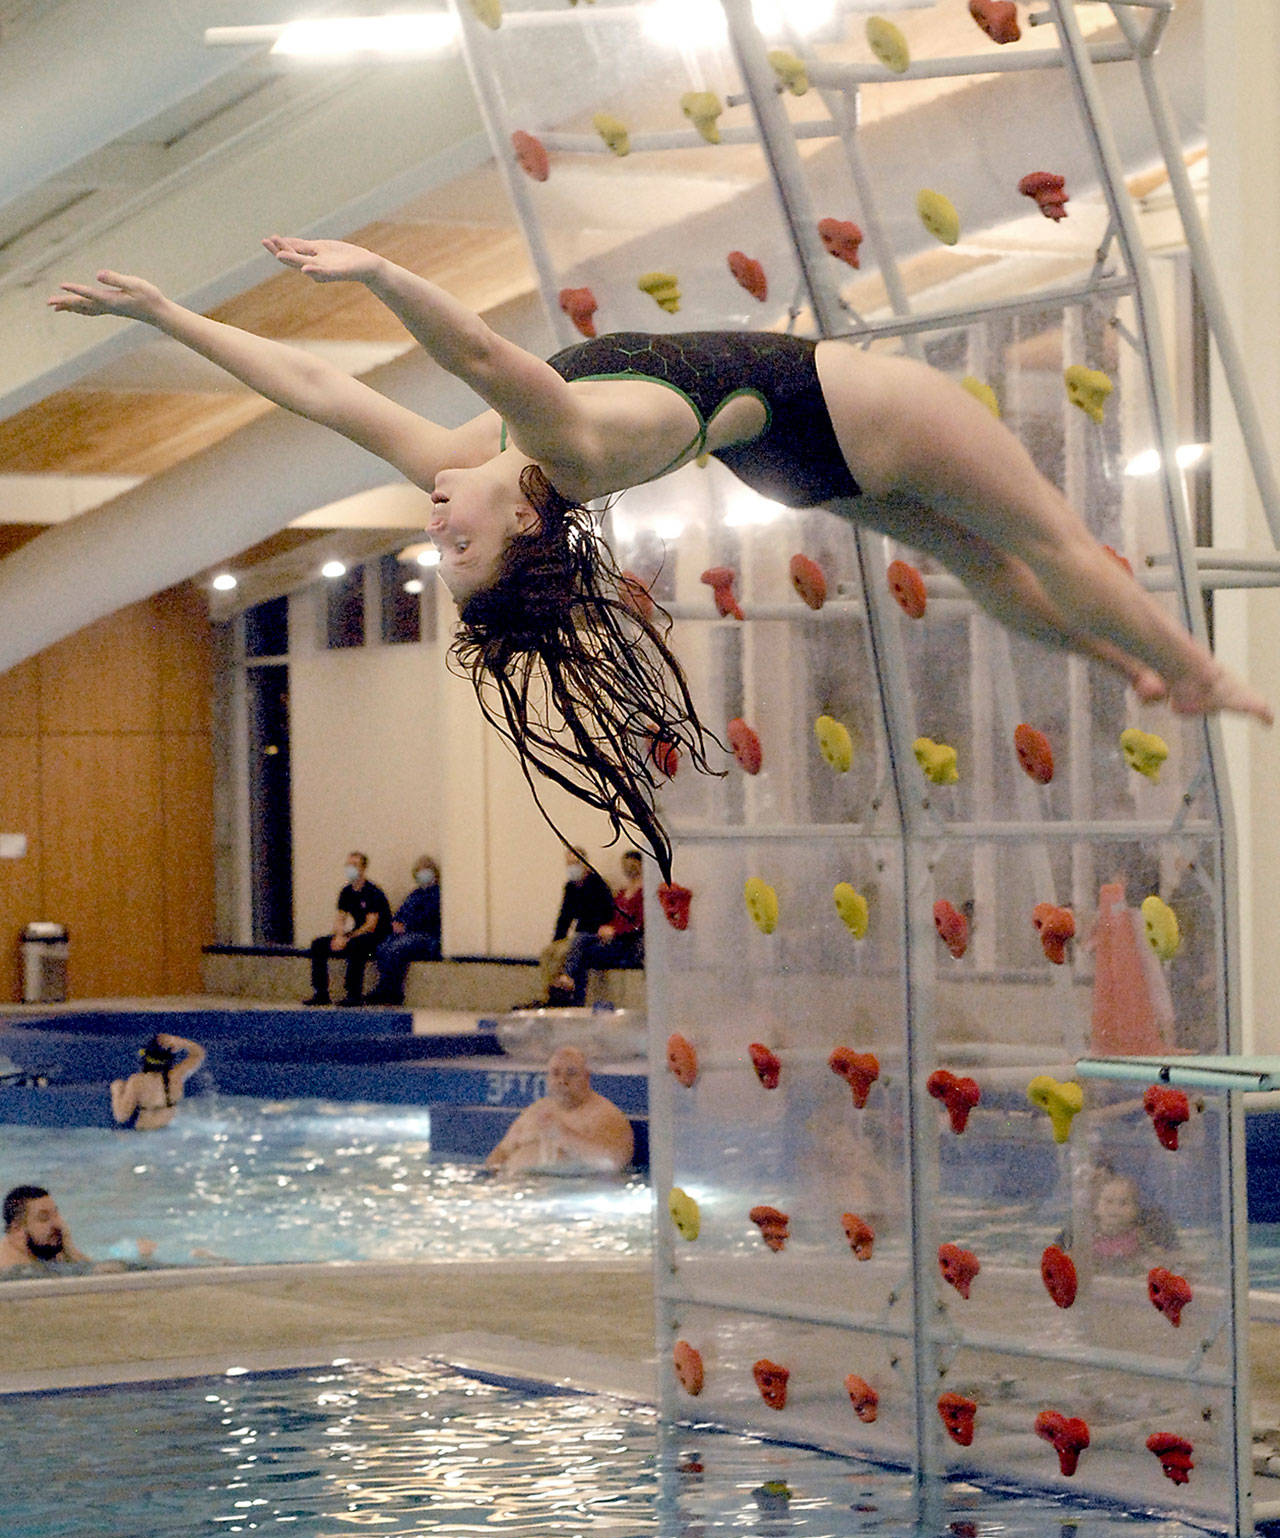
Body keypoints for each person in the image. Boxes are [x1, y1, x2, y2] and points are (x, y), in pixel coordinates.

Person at [48, 245, 1273, 879]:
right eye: (456, 542)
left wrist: (167, 318)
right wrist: (377, 274)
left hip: (787, 459)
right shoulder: (556, 442)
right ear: (523, 527)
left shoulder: (480, 457)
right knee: (1041, 539)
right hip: (850, 407)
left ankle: (1134, 673)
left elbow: (316, 390)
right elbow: (474, 345)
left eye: (437, 544)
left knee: (994, 571)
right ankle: (1186, 667)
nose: (433, 522)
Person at [482, 1045, 634, 1174]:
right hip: (521, 1190)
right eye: (556, 1073)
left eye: (571, 1074)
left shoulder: (605, 1115)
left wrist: (563, 1135)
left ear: (586, 1078)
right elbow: (501, 1152)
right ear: (548, 1079)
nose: (562, 1080)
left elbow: (613, 1163)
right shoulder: (536, 1111)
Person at [551, 848, 645, 1006]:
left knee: (580, 939)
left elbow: (639, 923)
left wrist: (615, 930)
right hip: (608, 938)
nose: (628, 869)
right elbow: (565, 917)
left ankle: (567, 978)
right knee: (582, 955)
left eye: (632, 865)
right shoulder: (622, 893)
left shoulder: (643, 894)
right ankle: (575, 1000)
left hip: (625, 943)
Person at [306, 850, 392, 1006]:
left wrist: (348, 938)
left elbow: (371, 925)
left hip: (377, 938)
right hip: (357, 933)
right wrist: (339, 936)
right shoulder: (346, 892)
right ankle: (321, 993)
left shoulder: (373, 892)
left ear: (363, 868)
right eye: (348, 865)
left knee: (356, 946)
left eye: (354, 865)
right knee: (318, 944)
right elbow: (340, 918)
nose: (350, 868)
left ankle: (354, 994)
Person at [532, 846, 616, 1005]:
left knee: (568, 951)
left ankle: (566, 981)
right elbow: (564, 916)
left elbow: (606, 912)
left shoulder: (597, 884)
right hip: (580, 933)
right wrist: (557, 939)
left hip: (593, 932)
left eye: (576, 863)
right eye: (569, 864)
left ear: (585, 864)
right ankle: (550, 992)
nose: (572, 868)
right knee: (549, 953)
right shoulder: (571, 887)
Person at [367, 854, 443, 1005]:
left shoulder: (438, 894)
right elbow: (400, 914)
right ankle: (383, 987)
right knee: (383, 947)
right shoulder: (414, 895)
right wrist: (396, 923)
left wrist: (407, 926)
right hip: (406, 934)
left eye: (426, 870)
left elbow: (429, 918)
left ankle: (393, 991)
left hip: (427, 936)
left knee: (397, 948)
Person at [110, 1032, 206, 1130]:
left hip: (143, 1136)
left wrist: (117, 1090)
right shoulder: (177, 1076)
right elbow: (199, 1054)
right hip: (170, 1133)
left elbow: (121, 1116)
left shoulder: (137, 1082)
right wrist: (179, 1041)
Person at [0, 1185, 89, 1269]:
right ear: (17, 1228)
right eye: (44, 1218)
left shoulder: (47, 1251)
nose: (57, 1224)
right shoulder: (6, 1267)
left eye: (56, 1214)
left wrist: (70, 1252)